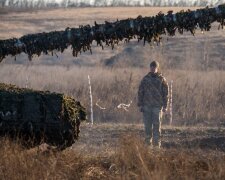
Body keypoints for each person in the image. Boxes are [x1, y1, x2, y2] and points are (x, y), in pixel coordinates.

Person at [137, 61, 169, 148]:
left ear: (157, 68)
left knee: (156, 127)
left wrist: (165, 106)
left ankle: (156, 147)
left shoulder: (162, 79)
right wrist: (140, 104)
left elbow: (166, 94)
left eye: (154, 67)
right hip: (146, 106)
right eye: (151, 67)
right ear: (150, 68)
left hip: (157, 107)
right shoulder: (145, 79)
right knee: (147, 127)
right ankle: (147, 147)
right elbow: (140, 91)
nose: (153, 68)